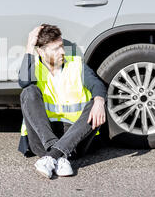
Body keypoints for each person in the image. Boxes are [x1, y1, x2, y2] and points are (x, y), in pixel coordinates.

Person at [18, 24, 107, 179]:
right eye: (55, 49)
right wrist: (29, 46)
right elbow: (24, 82)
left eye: (61, 46)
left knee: (96, 103)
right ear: (40, 51)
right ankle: (58, 154)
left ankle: (52, 156)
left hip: (74, 138)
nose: (62, 52)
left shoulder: (76, 64)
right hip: (42, 138)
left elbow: (97, 85)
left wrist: (100, 102)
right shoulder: (35, 67)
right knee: (28, 92)